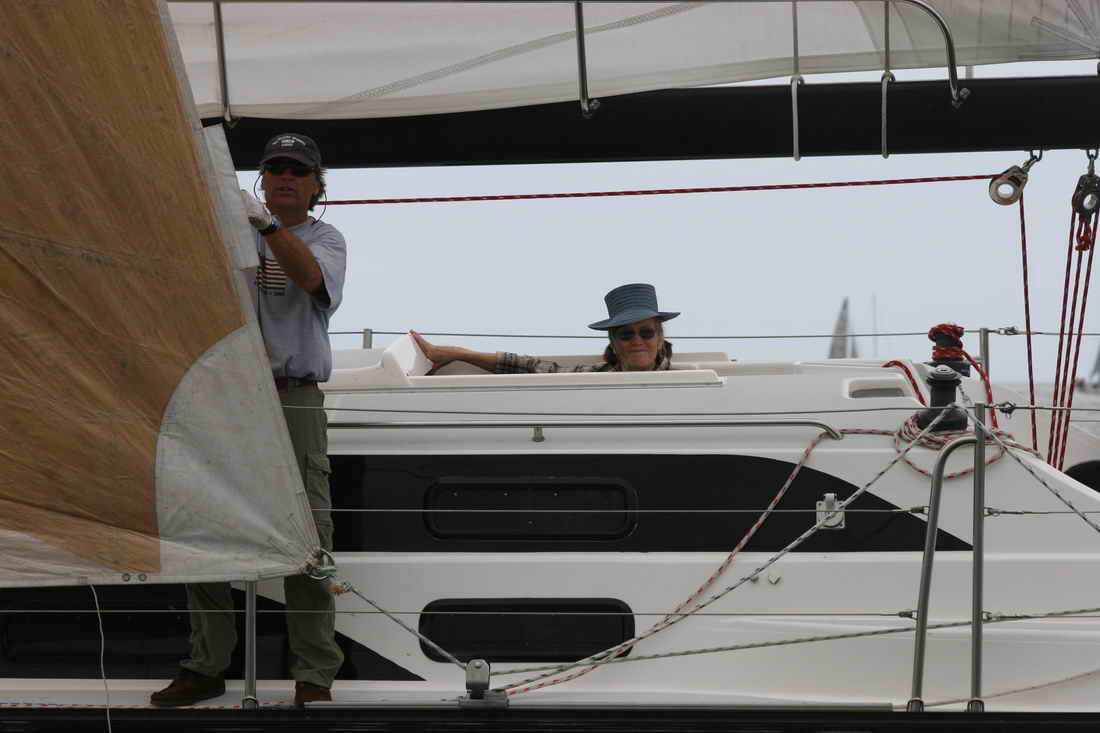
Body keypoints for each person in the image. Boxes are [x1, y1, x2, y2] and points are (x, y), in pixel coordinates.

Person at [151, 133, 347, 708]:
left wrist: (263, 225)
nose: (285, 176)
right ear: (262, 178)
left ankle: (314, 674)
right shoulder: (221, 234)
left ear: (315, 186)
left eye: (297, 170)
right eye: (275, 168)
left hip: (291, 396)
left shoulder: (326, 238)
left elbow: (311, 280)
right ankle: (206, 666)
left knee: (310, 533)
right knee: (203, 525)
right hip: (222, 397)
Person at [412, 283, 678, 373]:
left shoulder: (689, 380)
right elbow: (530, 367)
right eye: (626, 334)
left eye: (646, 332)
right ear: (614, 342)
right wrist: (459, 354)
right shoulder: (597, 376)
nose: (637, 340)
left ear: (659, 337)